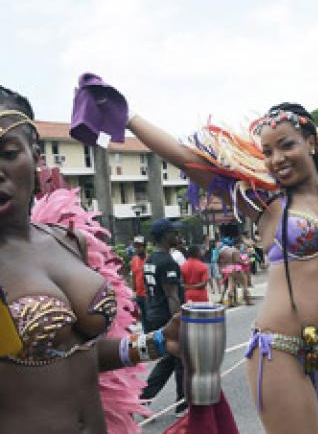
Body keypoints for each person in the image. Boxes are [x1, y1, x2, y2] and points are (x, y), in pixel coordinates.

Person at [125, 102, 318, 434]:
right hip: (281, 350)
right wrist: (128, 117)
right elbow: (185, 158)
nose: (277, 159)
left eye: (287, 145)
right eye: (268, 151)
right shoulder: (266, 203)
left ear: (311, 143)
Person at [0, 86, 180, 434]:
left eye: (7, 153)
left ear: (36, 156)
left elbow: (75, 355)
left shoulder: (68, 241)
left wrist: (157, 342)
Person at [141, 218, 187, 417]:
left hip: (154, 313)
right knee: (181, 361)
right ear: (165, 236)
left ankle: (142, 400)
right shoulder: (167, 262)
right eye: (173, 233)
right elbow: (172, 295)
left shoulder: (150, 259)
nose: (176, 236)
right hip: (167, 317)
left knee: (168, 360)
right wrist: (179, 322)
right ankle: (183, 406)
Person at [131, 235, 148, 332]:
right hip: (139, 295)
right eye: (136, 246)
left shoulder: (150, 259)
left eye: (139, 246)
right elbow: (133, 276)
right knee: (143, 319)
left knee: (149, 317)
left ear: (144, 246)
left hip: (147, 295)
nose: (137, 249)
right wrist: (134, 292)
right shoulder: (134, 260)